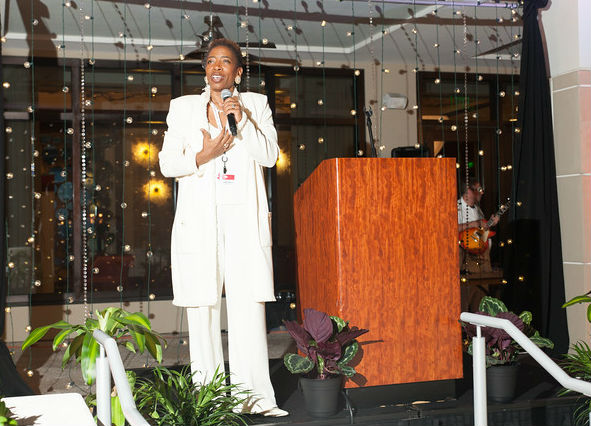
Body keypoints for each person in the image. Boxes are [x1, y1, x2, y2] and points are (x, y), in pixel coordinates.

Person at [158, 38, 287, 417]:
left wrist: (241, 120)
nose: (216, 67)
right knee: (203, 308)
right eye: (211, 61)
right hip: (200, 219)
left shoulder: (256, 105)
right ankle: (209, 400)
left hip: (243, 217)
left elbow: (269, 156)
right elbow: (167, 163)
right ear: (205, 70)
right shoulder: (183, 108)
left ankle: (255, 400)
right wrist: (204, 155)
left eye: (225, 61)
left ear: (238, 72)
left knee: (248, 307)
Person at [457, 179, 499, 272]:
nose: (482, 193)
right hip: (468, 257)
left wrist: (490, 223)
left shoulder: (478, 210)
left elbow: (480, 232)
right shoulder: (456, 207)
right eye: (479, 189)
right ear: (469, 190)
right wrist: (474, 224)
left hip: (483, 256)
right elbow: (451, 229)